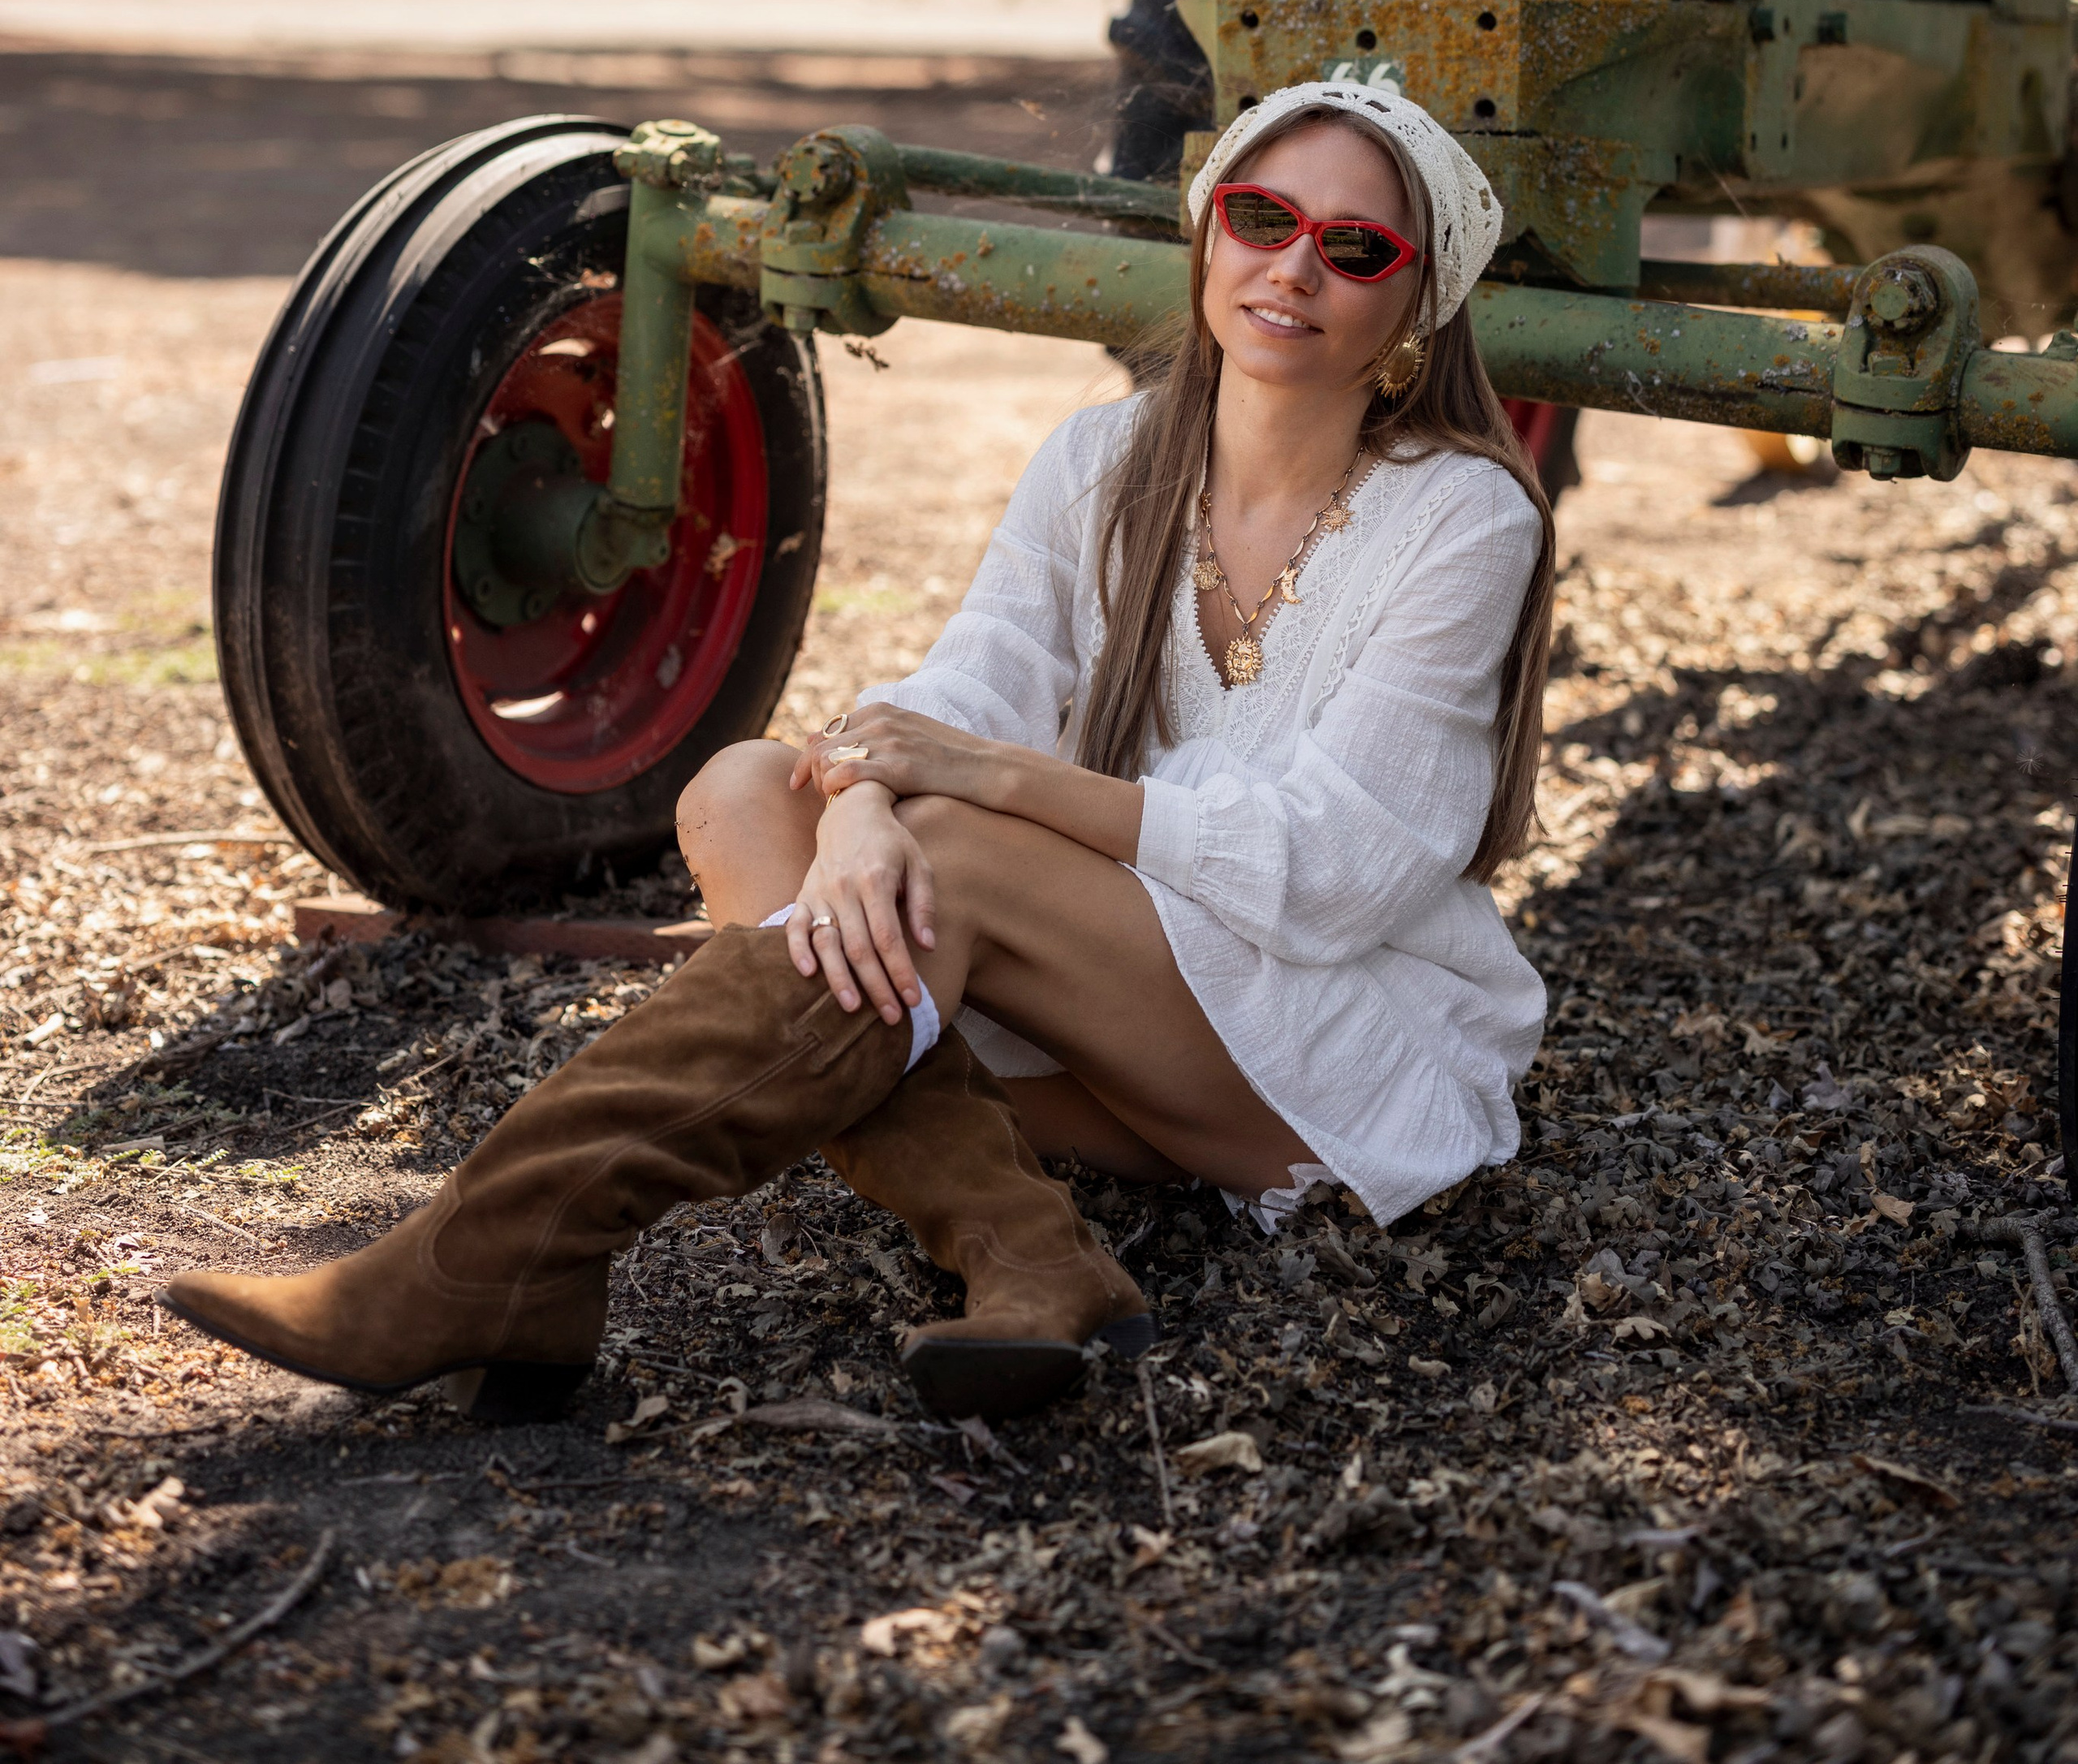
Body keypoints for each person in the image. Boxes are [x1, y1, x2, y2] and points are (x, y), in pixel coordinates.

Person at [162, 80, 1554, 1428]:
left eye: (1354, 246)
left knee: (934, 851)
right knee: (746, 791)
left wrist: (980, 785)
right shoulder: (1106, 459)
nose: (1293, 268)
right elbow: (970, 684)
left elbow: (1339, 871)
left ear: (1415, 304)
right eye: (1262, 218)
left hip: (1329, 1063)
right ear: (1209, 233)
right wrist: (870, 802)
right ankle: (1025, 1252)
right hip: (1100, 1034)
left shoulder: (1462, 520)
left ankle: (480, 1260)